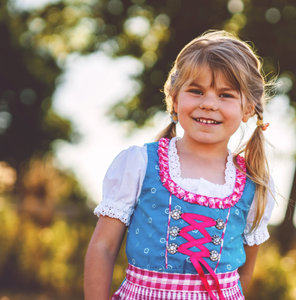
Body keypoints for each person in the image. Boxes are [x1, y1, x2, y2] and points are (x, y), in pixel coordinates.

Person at [84, 30, 276, 300]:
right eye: (196, 91)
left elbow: (245, 272)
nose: (209, 104)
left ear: (248, 109)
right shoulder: (140, 164)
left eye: (225, 95)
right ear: (174, 99)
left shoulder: (254, 185)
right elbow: (103, 247)